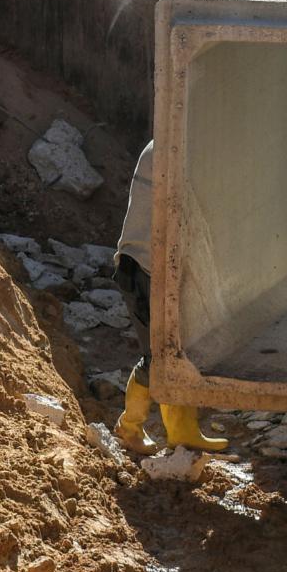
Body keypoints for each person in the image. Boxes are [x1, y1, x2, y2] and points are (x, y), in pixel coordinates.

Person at [110, 138, 210, 453]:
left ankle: (165, 430)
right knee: (162, 356)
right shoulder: (171, 150)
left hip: (147, 268)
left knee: (165, 354)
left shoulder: (165, 144)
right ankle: (146, 431)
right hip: (142, 270)